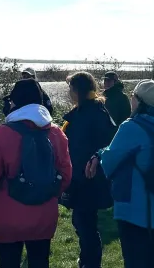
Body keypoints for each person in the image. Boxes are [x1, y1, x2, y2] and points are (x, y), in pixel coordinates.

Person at [0, 79, 72, 268]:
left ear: (15, 103)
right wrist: (50, 192)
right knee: (39, 262)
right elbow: (66, 173)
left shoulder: (2, 134)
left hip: (7, 213)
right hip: (44, 214)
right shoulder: (56, 133)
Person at [98, 80, 154, 268]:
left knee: (135, 259)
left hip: (136, 207)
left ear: (140, 101)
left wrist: (99, 154)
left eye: (133, 95)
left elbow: (109, 162)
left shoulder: (132, 127)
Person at [61, 72, 117, 268]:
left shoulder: (90, 114)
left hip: (87, 178)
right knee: (83, 223)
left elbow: (92, 146)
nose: (69, 93)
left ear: (78, 90)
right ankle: (87, 260)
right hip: (83, 177)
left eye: (70, 88)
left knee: (85, 224)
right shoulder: (91, 110)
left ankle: (90, 262)